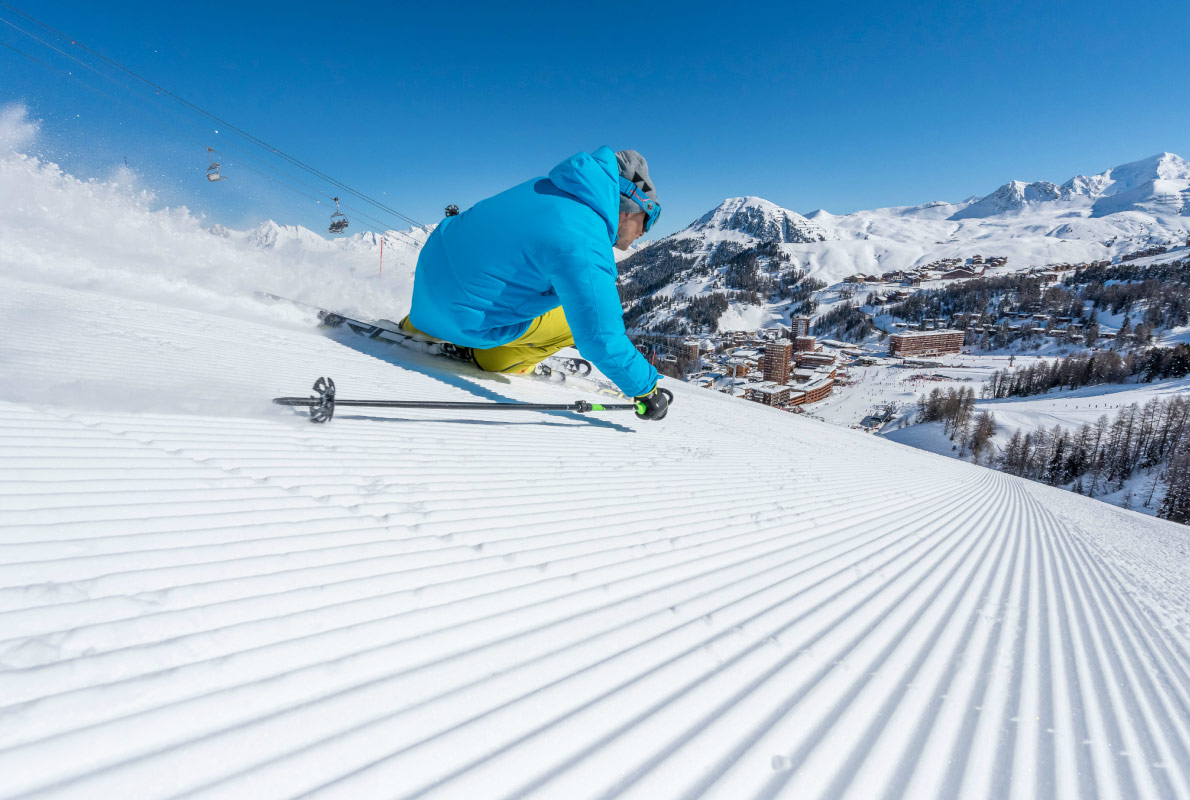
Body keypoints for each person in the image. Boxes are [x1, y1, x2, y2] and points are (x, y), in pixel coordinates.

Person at [399, 146, 668, 420]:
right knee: (575, 319)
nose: (644, 233)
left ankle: (418, 326)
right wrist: (647, 389)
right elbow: (600, 337)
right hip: (464, 322)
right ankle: (495, 358)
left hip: (424, 303)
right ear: (631, 207)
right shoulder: (586, 236)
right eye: (649, 219)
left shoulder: (544, 189)